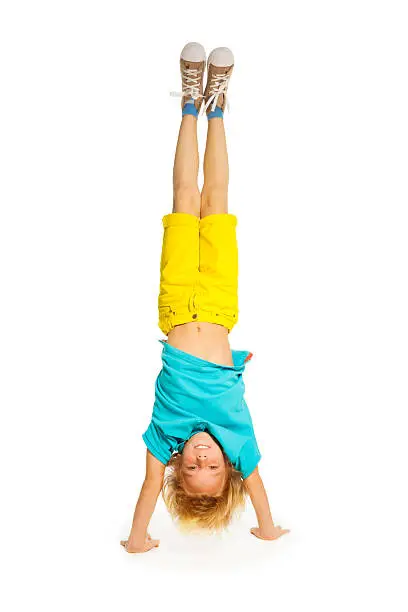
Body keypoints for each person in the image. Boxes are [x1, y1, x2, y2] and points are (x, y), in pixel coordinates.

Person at [121, 43, 289, 553]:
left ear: (178, 469)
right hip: (218, 305)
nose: (200, 457)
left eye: (192, 468)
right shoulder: (239, 441)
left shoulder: (164, 438)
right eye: (212, 467)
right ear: (229, 468)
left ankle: (190, 101)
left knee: (182, 199)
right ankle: (218, 106)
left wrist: (136, 539)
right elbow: (257, 490)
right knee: (216, 203)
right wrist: (266, 527)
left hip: (175, 304)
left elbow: (149, 488)